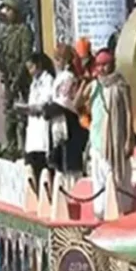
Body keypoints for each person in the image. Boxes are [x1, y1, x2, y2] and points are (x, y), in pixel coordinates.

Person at [76, 49, 133, 220]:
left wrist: (129, 139)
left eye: (105, 64)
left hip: (115, 142)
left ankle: (119, 213)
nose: (102, 68)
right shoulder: (94, 86)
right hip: (97, 141)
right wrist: (85, 82)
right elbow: (76, 103)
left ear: (113, 64)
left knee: (114, 179)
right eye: (99, 65)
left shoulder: (121, 86)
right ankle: (100, 215)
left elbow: (129, 114)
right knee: (98, 181)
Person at [0, 0, 34, 152]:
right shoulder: (5, 31)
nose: (5, 13)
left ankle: (25, 148)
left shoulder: (24, 31)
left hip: (21, 80)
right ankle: (12, 147)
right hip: (8, 79)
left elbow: (26, 57)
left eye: (9, 10)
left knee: (23, 116)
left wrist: (17, 80)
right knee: (9, 116)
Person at [47, 44, 86, 179]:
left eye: (58, 59)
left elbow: (65, 100)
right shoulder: (59, 77)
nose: (56, 63)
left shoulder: (69, 77)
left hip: (68, 119)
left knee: (69, 160)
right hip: (57, 120)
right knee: (59, 160)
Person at [16, 53, 54, 185]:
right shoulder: (34, 83)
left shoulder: (48, 80)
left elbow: (46, 101)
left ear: (39, 65)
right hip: (33, 128)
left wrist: (31, 108)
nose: (30, 71)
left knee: (42, 164)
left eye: (31, 67)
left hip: (42, 125)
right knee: (31, 163)